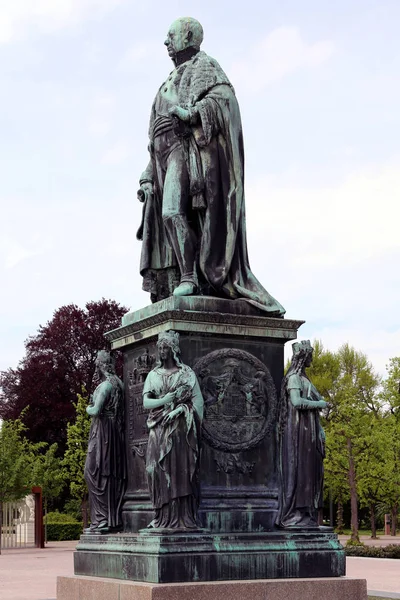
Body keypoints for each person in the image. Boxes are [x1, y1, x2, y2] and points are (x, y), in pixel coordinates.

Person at [137, 17, 285, 315]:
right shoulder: (167, 81)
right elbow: (153, 140)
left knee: (172, 213)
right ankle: (182, 274)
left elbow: (224, 103)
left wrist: (192, 113)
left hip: (186, 148)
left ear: (188, 36)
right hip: (162, 156)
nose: (166, 42)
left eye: (171, 36)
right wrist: (147, 174)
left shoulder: (206, 67)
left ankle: (191, 276)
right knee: (168, 219)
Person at [143, 331, 204, 528]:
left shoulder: (186, 373)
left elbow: (198, 403)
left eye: (165, 347)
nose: (162, 351)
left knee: (179, 472)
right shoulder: (153, 375)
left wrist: (180, 410)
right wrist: (165, 401)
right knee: (153, 470)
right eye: (160, 347)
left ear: (173, 349)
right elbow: (146, 402)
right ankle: (160, 515)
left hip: (179, 431)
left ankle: (180, 517)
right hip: (157, 428)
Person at [276, 340, 327, 528]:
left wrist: (320, 430)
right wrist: (319, 405)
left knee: (309, 471)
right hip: (299, 432)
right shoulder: (294, 379)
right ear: (304, 357)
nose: (312, 358)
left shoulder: (304, 379)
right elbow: (296, 402)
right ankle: (297, 512)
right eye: (310, 355)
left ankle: (307, 512)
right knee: (301, 470)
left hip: (310, 429)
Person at [84, 351, 126, 533]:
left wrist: (88, 407)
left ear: (101, 365)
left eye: (96, 364)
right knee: (109, 474)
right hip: (115, 432)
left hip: (102, 432)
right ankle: (110, 519)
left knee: (92, 472)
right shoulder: (120, 384)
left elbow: (95, 410)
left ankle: (101, 519)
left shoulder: (105, 386)